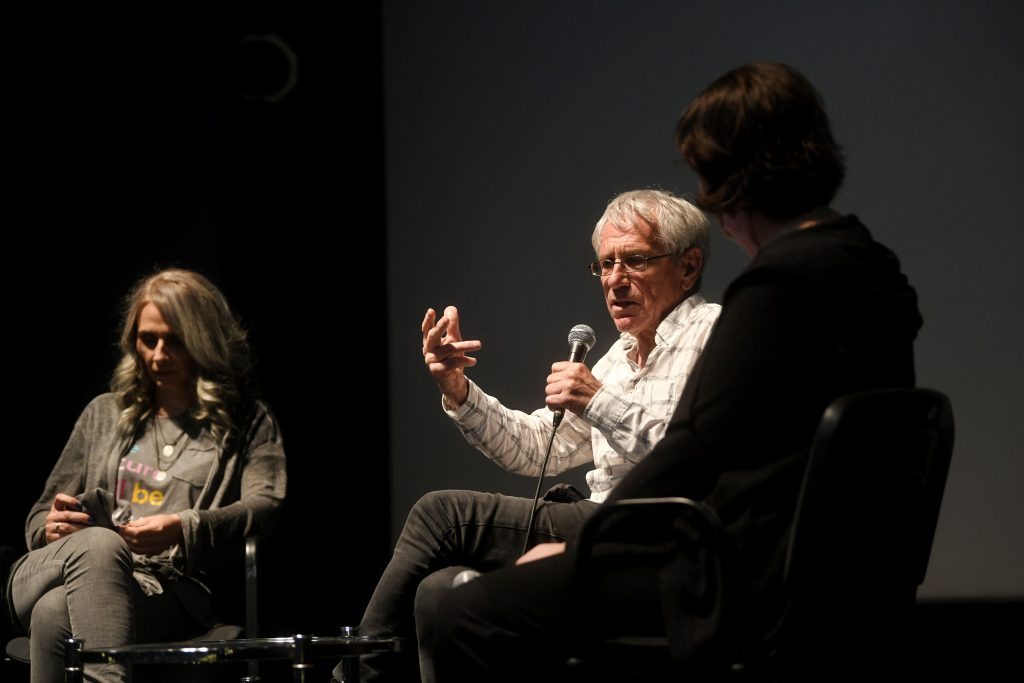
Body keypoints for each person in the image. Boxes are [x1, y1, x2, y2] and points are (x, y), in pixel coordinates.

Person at [430, 62, 923, 681]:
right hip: (844, 576)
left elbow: (694, 449)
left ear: (736, 180)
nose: (715, 207)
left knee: (466, 613)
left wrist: (586, 545)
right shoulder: (875, 274)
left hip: (734, 576)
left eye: (707, 178)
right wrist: (459, 391)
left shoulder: (778, 289)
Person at [335, 188, 722, 683]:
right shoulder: (622, 355)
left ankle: (352, 676)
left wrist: (597, 400)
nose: (614, 282)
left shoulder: (712, 334)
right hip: (601, 521)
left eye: (635, 261)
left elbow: (696, 454)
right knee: (437, 591)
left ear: (688, 268)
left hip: (652, 528)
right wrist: (457, 390)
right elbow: (539, 445)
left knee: (442, 513)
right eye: (604, 265)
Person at [1, 268, 287, 683]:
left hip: (159, 589)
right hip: (54, 569)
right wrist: (50, 527)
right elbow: (42, 510)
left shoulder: (246, 420)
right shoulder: (104, 413)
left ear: (203, 340)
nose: (157, 354)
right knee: (99, 544)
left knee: (54, 613)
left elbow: (264, 506)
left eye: (174, 340)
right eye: (147, 339)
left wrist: (183, 527)